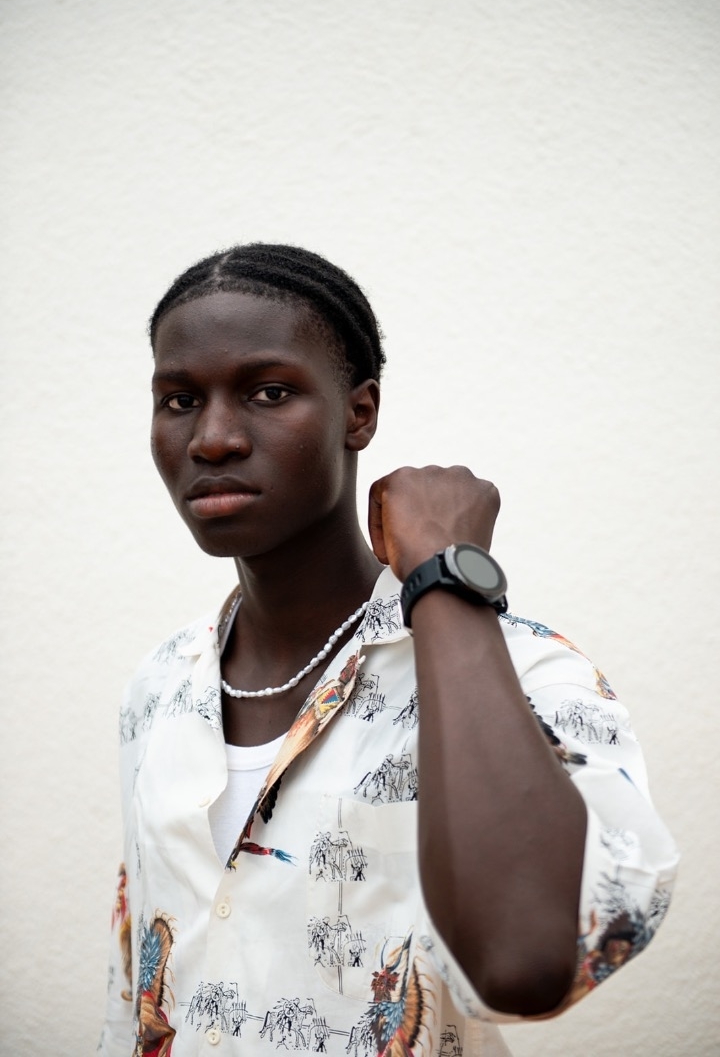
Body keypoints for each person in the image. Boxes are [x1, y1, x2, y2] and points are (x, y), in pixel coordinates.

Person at [99, 243, 678, 1057]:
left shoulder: (522, 672)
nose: (214, 438)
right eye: (180, 400)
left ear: (360, 413)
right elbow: (137, 995)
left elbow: (523, 963)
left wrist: (443, 574)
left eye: (270, 392)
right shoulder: (159, 686)